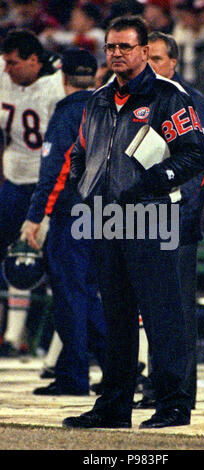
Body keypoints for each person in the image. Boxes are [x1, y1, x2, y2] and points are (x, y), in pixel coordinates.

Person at [62, 15, 204, 430]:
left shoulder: (168, 97)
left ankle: (174, 405)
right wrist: (83, 185)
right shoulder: (98, 99)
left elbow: (196, 154)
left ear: (145, 51)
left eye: (125, 47)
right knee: (117, 317)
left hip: (152, 215)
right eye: (111, 47)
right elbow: (80, 152)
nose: (117, 54)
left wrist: (151, 183)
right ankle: (113, 405)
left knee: (162, 317)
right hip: (107, 218)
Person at [133, 31, 204, 410]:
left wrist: (179, 212)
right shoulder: (146, 99)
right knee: (154, 308)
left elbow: (201, 163)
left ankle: (179, 392)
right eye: (145, 58)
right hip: (144, 218)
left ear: (174, 63)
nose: (149, 66)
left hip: (176, 219)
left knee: (177, 310)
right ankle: (158, 387)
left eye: (157, 59)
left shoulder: (190, 101)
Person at [23, 46, 107, 395]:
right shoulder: (109, 108)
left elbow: (56, 170)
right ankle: (120, 367)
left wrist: (34, 216)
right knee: (88, 294)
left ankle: (74, 375)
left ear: (61, 76)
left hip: (71, 212)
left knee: (71, 296)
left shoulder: (68, 113)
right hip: (106, 212)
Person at [0, 29, 64, 357]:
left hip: (49, 184)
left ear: (33, 60)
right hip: (13, 179)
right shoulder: (3, 74)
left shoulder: (55, 86)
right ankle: (12, 336)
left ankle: (55, 343)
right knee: (16, 256)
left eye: (13, 63)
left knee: (54, 262)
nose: (7, 68)